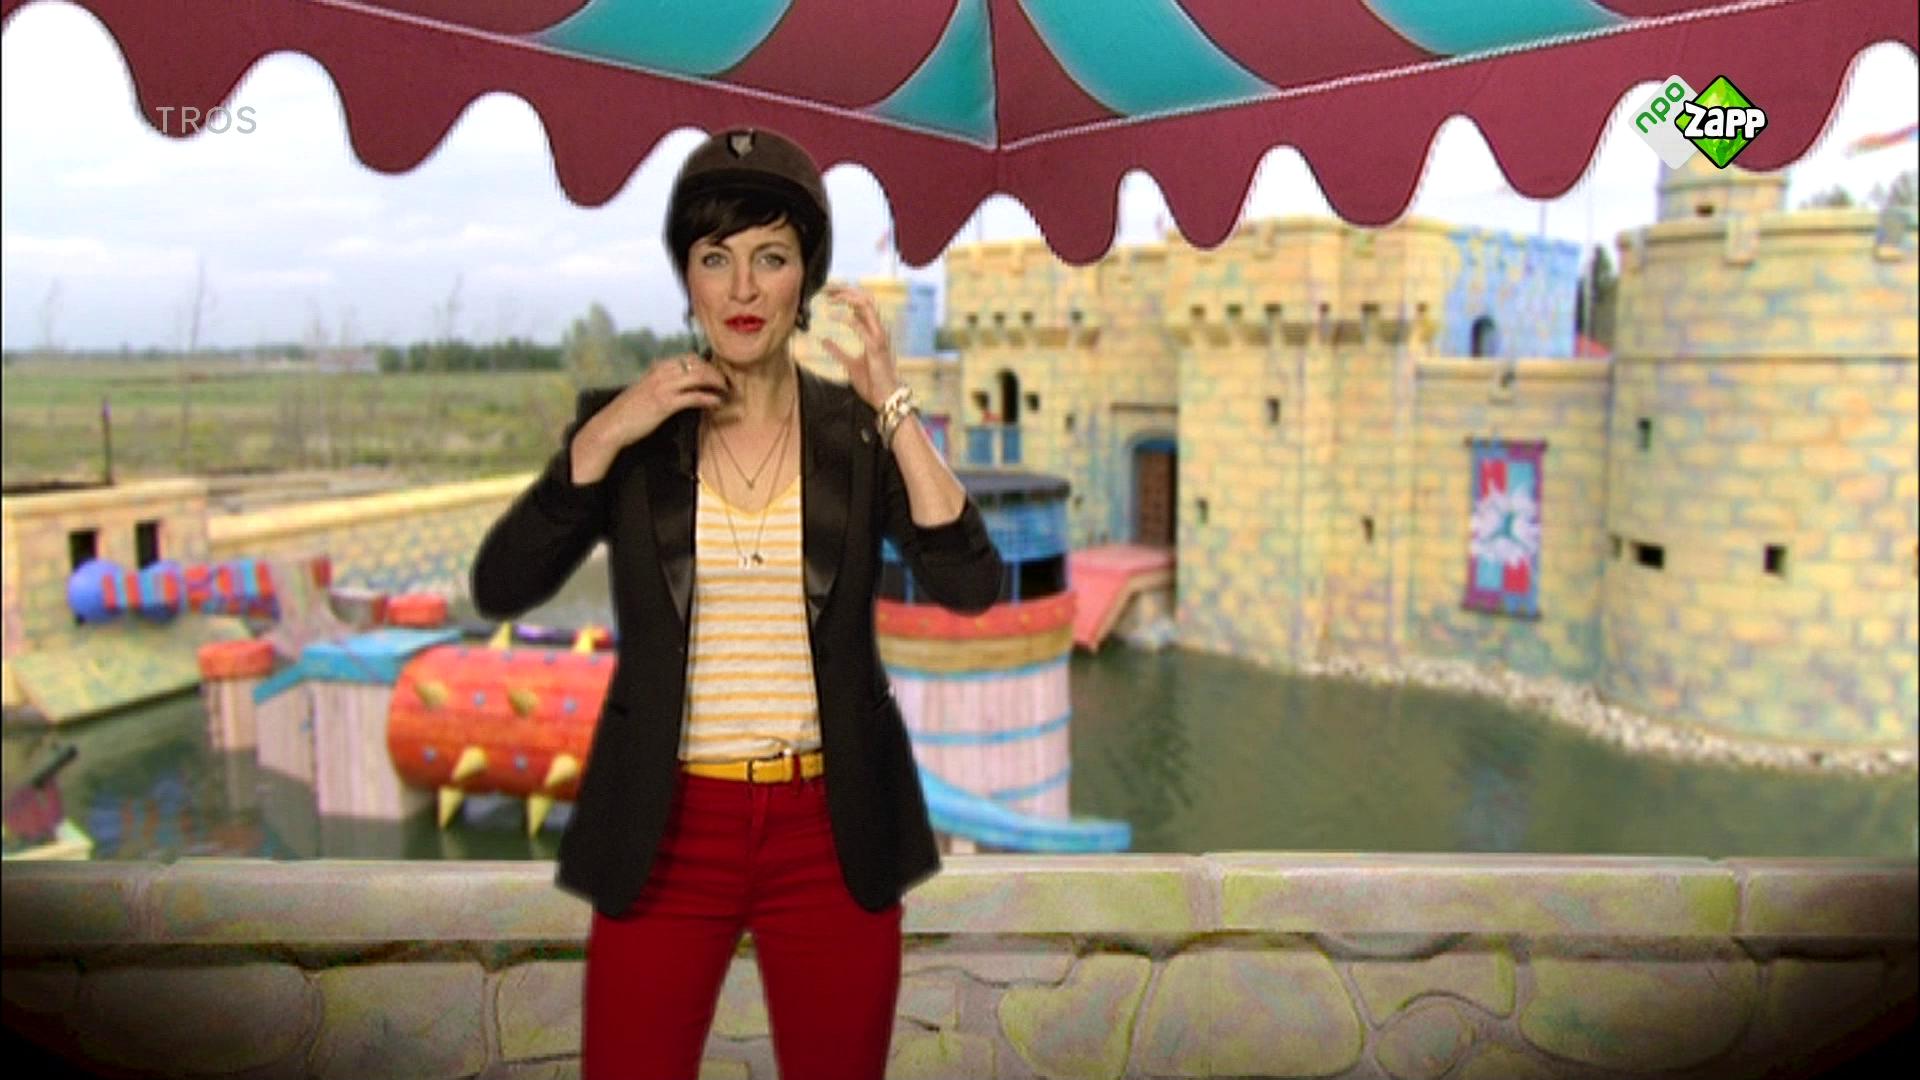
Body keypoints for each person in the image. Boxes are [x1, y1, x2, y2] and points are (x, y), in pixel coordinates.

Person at [469, 127, 1003, 1079]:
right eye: (716, 258)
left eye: (771, 257)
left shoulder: (856, 433)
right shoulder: (630, 427)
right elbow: (501, 586)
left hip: (831, 828)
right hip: (666, 827)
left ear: (807, 278)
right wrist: (602, 437)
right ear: (687, 277)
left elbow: (971, 583)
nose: (743, 288)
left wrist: (892, 406)